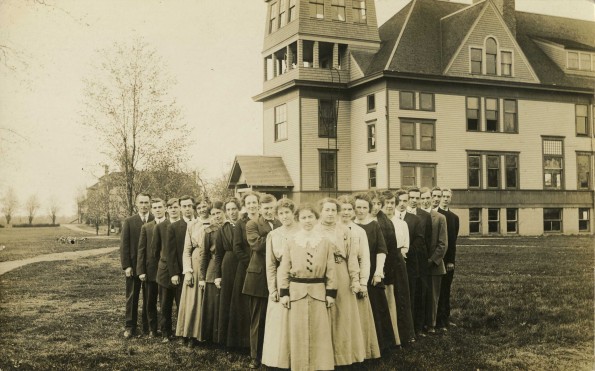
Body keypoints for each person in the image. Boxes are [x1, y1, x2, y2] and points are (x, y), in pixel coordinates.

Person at [278, 204, 336, 371]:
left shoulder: (325, 242)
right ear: (298, 220)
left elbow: (331, 268)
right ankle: (299, 366)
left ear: (316, 219)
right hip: (296, 293)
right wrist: (284, 293)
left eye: (310, 217)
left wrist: (330, 293)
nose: (307, 221)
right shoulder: (291, 241)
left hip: (319, 292)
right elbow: (284, 268)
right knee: (298, 332)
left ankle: (321, 366)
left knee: (320, 331)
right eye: (303, 218)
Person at [316, 197, 365, 366]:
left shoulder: (345, 231)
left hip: (341, 272)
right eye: (327, 210)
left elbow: (352, 257)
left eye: (333, 210)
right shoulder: (314, 229)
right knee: (323, 314)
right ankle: (323, 357)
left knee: (343, 314)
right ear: (321, 212)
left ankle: (343, 356)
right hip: (321, 276)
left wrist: (355, 279)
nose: (330, 213)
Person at [338, 195, 381, 360]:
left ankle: (358, 352)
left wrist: (363, 283)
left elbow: (365, 259)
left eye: (350, 209)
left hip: (355, 279)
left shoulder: (359, 231)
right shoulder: (331, 228)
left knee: (357, 318)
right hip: (338, 278)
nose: (347, 212)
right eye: (343, 209)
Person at [353, 193, 396, 355]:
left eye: (365, 207)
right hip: (352, 272)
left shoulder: (373, 225)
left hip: (370, 272)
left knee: (377, 308)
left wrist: (378, 272)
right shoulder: (348, 225)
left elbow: (381, 250)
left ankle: (380, 345)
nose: (361, 210)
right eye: (358, 207)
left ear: (369, 209)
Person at [243, 193, 281, 369]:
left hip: (279, 276)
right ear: (259, 208)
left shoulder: (281, 223)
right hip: (258, 277)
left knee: (276, 318)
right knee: (258, 319)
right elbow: (257, 245)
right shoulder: (252, 224)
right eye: (265, 208)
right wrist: (278, 236)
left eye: (272, 208)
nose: (269, 211)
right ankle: (255, 356)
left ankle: (274, 354)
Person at [261, 198, 299, 369]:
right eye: (281, 213)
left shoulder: (303, 231)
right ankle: (280, 360)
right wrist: (272, 289)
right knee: (279, 321)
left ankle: (299, 359)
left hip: (299, 280)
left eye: (287, 212)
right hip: (280, 279)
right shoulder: (273, 235)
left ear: (293, 213)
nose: (285, 216)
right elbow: (270, 264)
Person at [228, 192, 260, 350]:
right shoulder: (241, 223)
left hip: (264, 268)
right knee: (244, 305)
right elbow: (237, 247)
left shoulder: (264, 221)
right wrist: (251, 263)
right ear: (245, 206)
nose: (252, 205)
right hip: (246, 268)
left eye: (254, 202)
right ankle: (244, 343)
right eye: (249, 203)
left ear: (258, 204)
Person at [120, 192, 154, 338]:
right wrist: (127, 266)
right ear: (136, 204)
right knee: (132, 297)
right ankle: (130, 326)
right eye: (141, 203)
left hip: (150, 267)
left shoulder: (155, 219)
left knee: (149, 297)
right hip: (133, 267)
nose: (144, 205)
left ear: (150, 203)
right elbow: (124, 245)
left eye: (146, 202)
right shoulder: (129, 221)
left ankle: (147, 327)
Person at [175, 196, 207, 347]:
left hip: (211, 263)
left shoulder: (217, 223)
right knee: (191, 300)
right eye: (199, 208)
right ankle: (186, 333)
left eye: (204, 207)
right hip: (195, 263)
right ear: (196, 209)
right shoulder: (193, 225)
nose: (202, 210)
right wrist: (187, 271)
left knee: (206, 299)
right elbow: (186, 251)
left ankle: (202, 335)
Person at [419, 187, 448, 334]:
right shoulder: (415, 216)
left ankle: (431, 324)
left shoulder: (439, 218)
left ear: (432, 199)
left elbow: (443, 244)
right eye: (421, 199)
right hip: (418, 264)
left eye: (427, 198)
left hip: (434, 265)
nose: (424, 201)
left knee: (432, 296)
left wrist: (432, 260)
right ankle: (419, 323)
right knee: (419, 295)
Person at [136, 198, 166, 338]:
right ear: (152, 210)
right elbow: (141, 250)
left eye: (160, 207)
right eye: (155, 207)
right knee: (150, 301)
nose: (158, 209)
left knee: (165, 301)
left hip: (166, 270)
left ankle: (167, 330)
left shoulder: (170, 225)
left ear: (165, 208)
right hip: (150, 270)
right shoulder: (146, 227)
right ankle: (153, 329)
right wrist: (141, 270)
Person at [167, 195, 194, 343]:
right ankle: (183, 334)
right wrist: (174, 273)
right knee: (181, 303)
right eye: (184, 206)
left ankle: (194, 334)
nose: (187, 209)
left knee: (194, 303)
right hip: (181, 271)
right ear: (181, 208)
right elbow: (170, 252)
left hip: (196, 269)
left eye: (189, 206)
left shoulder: (199, 224)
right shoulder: (174, 227)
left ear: (193, 207)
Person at [153, 198, 180, 341]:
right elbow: (155, 251)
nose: (173, 210)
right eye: (170, 207)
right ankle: (165, 332)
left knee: (181, 302)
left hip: (181, 270)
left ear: (179, 208)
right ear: (167, 210)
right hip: (164, 271)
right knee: (165, 304)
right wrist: (164, 263)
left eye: (176, 207)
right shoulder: (160, 227)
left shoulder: (185, 225)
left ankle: (182, 332)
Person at [216, 197, 241, 346]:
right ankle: (228, 342)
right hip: (228, 265)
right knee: (227, 301)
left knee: (240, 301)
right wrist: (218, 275)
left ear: (239, 209)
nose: (232, 212)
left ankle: (242, 341)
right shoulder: (223, 229)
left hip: (243, 264)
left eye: (234, 209)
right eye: (229, 210)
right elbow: (218, 254)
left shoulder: (245, 225)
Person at [407, 187, 432, 336]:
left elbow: (427, 239)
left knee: (420, 292)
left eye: (418, 198)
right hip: (404, 258)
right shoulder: (400, 214)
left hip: (420, 259)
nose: (415, 201)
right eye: (412, 198)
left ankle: (419, 326)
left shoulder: (424, 216)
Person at [200, 201, 225, 343]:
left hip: (227, 266)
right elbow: (204, 254)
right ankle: (211, 338)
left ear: (224, 213)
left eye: (219, 213)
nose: (216, 216)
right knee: (212, 304)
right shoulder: (209, 231)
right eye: (213, 214)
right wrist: (202, 277)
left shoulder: (230, 228)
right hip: (212, 267)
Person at [436, 188, 460, 331]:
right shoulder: (435, 215)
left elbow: (452, 241)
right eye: (442, 196)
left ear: (451, 198)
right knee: (437, 290)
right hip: (436, 259)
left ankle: (445, 318)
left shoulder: (454, 218)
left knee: (446, 289)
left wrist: (451, 260)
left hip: (448, 260)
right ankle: (437, 320)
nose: (445, 199)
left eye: (447, 196)